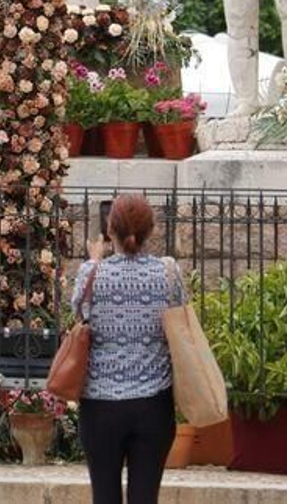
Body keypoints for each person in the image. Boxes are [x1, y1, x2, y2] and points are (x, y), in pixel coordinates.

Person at [68, 194, 183, 504]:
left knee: (104, 495)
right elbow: (179, 321)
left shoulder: (91, 274)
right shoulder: (168, 273)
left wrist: (94, 259)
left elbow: (78, 313)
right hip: (154, 403)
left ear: (110, 229)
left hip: (100, 404)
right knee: (145, 497)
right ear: (151, 230)